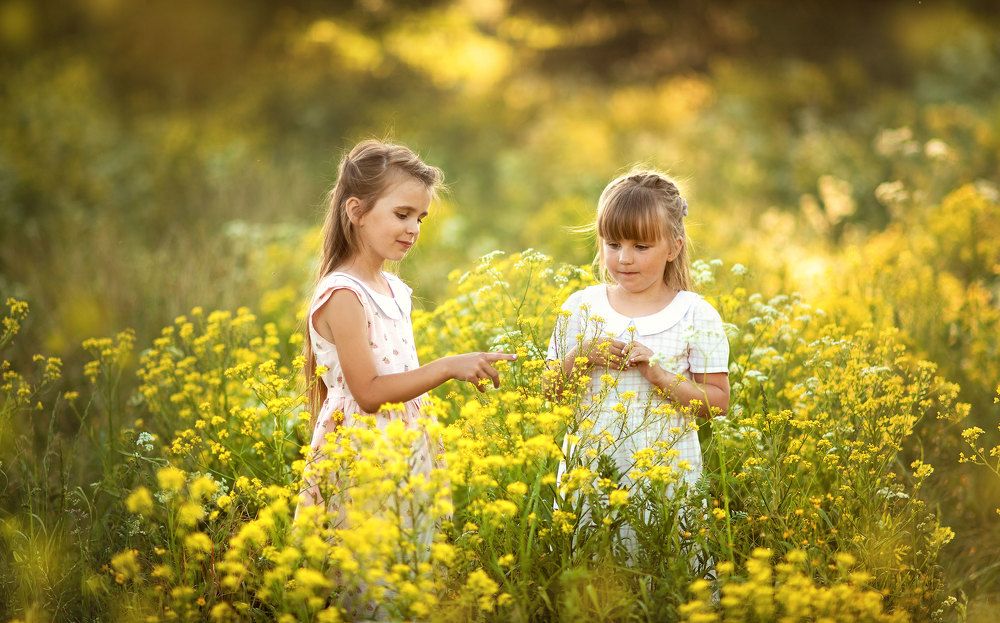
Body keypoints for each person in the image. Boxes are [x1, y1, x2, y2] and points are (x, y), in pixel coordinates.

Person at [298, 139, 516, 514]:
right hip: (362, 455)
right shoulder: (343, 293)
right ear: (357, 210)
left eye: (420, 218)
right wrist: (448, 366)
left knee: (410, 558)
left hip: (406, 446)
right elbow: (367, 393)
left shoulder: (395, 289)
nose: (413, 228)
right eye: (402, 214)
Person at [547, 169, 730, 508]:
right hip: (589, 479)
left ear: (673, 248)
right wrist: (583, 354)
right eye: (613, 244)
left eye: (641, 246)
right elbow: (548, 393)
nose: (624, 258)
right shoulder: (581, 307)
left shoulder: (694, 313)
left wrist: (659, 376)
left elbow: (717, 404)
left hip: (667, 481)